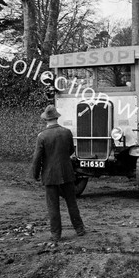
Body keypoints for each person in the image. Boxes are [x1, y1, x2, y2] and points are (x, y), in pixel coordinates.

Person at [31, 104, 86, 243]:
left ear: (46, 120)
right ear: (56, 117)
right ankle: (80, 229)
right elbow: (71, 151)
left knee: (53, 206)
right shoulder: (66, 132)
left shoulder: (42, 136)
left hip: (50, 176)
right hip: (67, 173)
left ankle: (56, 235)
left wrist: (35, 174)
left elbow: (37, 158)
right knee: (72, 203)